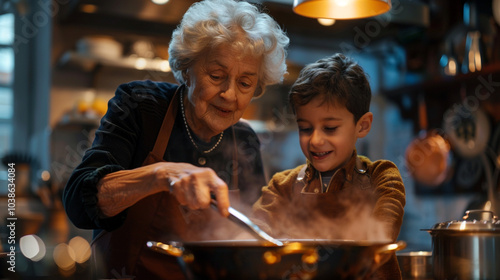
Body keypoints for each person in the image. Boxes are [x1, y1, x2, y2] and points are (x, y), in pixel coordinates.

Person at [62, 0, 289, 278]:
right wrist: (160, 174)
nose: (229, 94)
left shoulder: (244, 141)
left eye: (244, 83)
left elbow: (250, 237)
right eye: (216, 75)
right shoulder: (140, 106)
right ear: (186, 68)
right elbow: (78, 204)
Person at [252, 53, 406, 279]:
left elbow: (384, 228)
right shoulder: (282, 186)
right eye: (305, 128)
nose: (315, 140)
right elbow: (255, 233)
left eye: (330, 128)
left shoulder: (382, 176)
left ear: (362, 126)